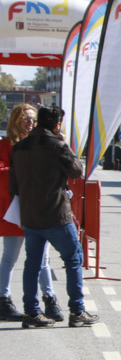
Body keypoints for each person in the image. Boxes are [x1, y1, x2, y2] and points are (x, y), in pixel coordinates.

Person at [8, 106, 98, 329]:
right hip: (56, 215)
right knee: (74, 258)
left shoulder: (19, 147)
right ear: (57, 125)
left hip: (29, 216)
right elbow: (76, 171)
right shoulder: (57, 146)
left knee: (32, 264)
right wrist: (65, 144)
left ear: (38, 122)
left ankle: (32, 313)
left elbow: (13, 185)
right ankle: (77, 311)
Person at [0, 103, 62, 322]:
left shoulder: (38, 143)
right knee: (10, 256)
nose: (30, 123)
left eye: (33, 119)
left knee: (43, 258)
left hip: (37, 207)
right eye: (26, 119)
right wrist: (24, 170)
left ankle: (50, 299)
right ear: (16, 120)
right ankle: (3, 299)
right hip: (15, 209)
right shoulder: (6, 145)